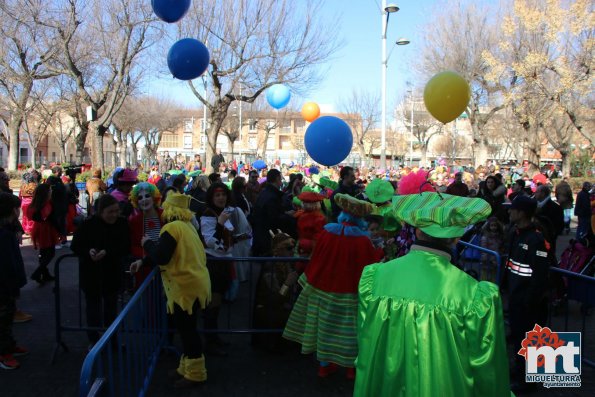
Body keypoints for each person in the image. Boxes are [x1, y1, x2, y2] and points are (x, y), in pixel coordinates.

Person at [355, 191, 510, 396]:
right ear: (456, 239)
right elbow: (488, 369)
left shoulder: (375, 277)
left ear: (418, 232)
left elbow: (365, 339)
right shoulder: (474, 296)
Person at [283, 194, 382, 379]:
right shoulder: (363, 241)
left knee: (326, 328)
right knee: (350, 332)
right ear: (360, 220)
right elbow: (370, 266)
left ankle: (324, 366)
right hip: (351, 294)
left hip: (324, 289)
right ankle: (351, 369)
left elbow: (316, 257)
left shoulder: (327, 233)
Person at [130, 192, 211, 388]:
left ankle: (196, 373)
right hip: (194, 285)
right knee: (187, 330)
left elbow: (162, 256)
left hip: (185, 288)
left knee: (188, 332)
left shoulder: (172, 228)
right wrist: (143, 261)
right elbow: (167, 253)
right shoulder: (187, 227)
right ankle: (186, 368)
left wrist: (146, 244)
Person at [70, 194, 130, 347]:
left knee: (111, 308)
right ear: (100, 211)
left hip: (112, 272)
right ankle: (94, 340)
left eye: (116, 211)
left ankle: (112, 339)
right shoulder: (88, 224)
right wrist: (88, 251)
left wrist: (108, 252)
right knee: (93, 308)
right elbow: (75, 246)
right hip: (91, 273)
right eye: (110, 211)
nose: (114, 215)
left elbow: (125, 245)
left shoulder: (122, 223)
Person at [505, 195, 550, 393]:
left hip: (528, 303)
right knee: (518, 338)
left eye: (513, 209)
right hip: (516, 298)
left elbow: (540, 275)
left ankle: (529, 383)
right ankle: (520, 372)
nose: (509, 212)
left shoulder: (536, 239)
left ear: (522, 213)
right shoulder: (516, 233)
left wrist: (529, 301)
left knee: (530, 340)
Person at [199, 183, 236, 356]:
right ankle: (210, 342)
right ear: (211, 198)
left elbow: (225, 241)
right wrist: (220, 224)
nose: (221, 198)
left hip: (223, 263)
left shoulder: (224, 213)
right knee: (211, 306)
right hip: (213, 264)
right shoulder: (208, 214)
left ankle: (214, 339)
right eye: (217, 195)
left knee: (217, 304)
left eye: (223, 194)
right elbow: (210, 242)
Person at [0, 193, 28, 370]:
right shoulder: (3, 234)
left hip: (8, 283)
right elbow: (6, 264)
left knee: (8, 316)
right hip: (3, 284)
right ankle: (4, 353)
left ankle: (9, 346)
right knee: (2, 318)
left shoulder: (8, 230)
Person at [252, 169, 297, 256]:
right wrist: (288, 216)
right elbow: (274, 218)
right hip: (268, 240)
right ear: (277, 179)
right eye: (280, 178)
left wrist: (285, 213)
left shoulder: (265, 192)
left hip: (261, 237)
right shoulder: (272, 196)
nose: (281, 181)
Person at [128, 183, 163, 288]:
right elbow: (134, 245)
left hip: (165, 267)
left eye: (147, 196)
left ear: (154, 198)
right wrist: (144, 258)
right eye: (140, 197)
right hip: (145, 269)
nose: (144, 199)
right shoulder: (134, 221)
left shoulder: (164, 215)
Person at [27, 184, 61, 283]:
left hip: (38, 227)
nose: (51, 191)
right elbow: (52, 219)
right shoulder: (47, 204)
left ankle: (45, 274)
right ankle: (37, 273)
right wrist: (60, 231)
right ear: (46, 193)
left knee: (43, 252)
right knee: (50, 253)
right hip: (47, 229)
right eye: (49, 190)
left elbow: (31, 216)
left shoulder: (35, 203)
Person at [534, 184, 564, 254]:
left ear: (543, 193)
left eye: (537, 192)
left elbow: (559, 226)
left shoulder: (556, 207)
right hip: (533, 240)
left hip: (548, 241)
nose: (535, 193)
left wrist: (551, 235)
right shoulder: (533, 204)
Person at [480, 216, 505, 282]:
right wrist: (485, 259)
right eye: (492, 225)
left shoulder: (499, 236)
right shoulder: (485, 237)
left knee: (494, 278)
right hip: (487, 261)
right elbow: (484, 250)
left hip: (495, 261)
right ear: (488, 226)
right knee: (484, 277)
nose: (493, 227)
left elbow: (500, 247)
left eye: (495, 225)